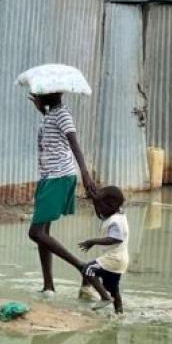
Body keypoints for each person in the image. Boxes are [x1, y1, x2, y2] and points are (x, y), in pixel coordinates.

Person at [26, 91, 106, 299]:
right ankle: (49, 286)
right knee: (44, 233)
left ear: (48, 97)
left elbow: (74, 144)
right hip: (49, 177)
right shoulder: (51, 115)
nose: (36, 96)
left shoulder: (63, 115)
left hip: (58, 177)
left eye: (39, 95)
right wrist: (42, 111)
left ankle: (83, 268)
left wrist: (86, 174)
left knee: (35, 233)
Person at [82, 186, 130, 315]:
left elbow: (115, 239)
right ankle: (119, 313)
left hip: (114, 258)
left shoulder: (116, 221)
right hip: (119, 260)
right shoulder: (115, 213)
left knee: (88, 269)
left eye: (101, 205)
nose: (99, 209)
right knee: (113, 288)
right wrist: (94, 199)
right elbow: (100, 213)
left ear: (111, 205)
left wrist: (93, 241)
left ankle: (104, 297)